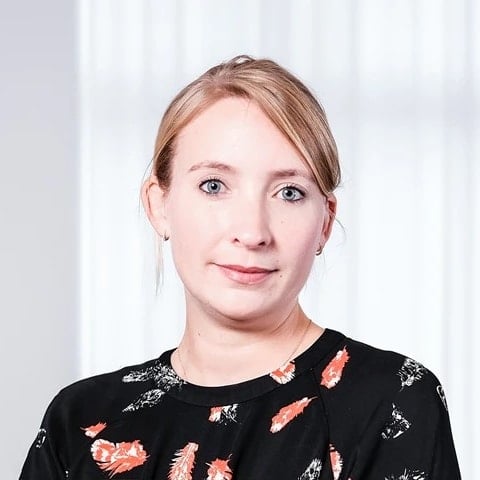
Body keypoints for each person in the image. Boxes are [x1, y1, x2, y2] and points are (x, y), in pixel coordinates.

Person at [20, 55, 461, 479]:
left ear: (325, 222)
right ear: (159, 204)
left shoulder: (391, 401)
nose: (252, 232)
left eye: (289, 192)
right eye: (214, 186)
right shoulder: (80, 424)